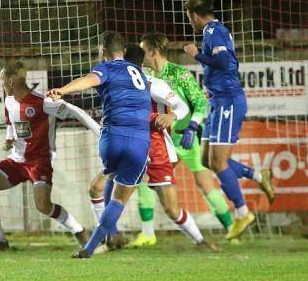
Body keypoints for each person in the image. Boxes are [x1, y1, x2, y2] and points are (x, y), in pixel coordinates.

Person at [91, 45, 219, 253]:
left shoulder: (152, 83)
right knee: (99, 188)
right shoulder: (118, 83)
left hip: (157, 152)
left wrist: (171, 116)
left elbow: (182, 106)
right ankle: (107, 238)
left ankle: (200, 240)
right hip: (132, 148)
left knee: (171, 209)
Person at [47, 31, 152, 259]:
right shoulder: (141, 75)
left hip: (112, 138)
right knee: (120, 198)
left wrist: (62, 90)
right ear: (123, 51)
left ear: (103, 52)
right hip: (139, 140)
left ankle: (107, 238)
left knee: (109, 177)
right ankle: (91, 247)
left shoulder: (106, 67)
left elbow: (89, 80)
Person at [0, 60, 101, 251]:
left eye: (2, 81)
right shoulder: (9, 101)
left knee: (43, 206)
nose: (1, 85)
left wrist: (100, 132)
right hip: (17, 159)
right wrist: (9, 139)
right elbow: (10, 124)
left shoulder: (43, 102)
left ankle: (79, 230)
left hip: (40, 161)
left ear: (11, 81)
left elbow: (76, 112)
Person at [183, 0, 276, 240]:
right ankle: (259, 175)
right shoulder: (211, 32)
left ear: (194, 15)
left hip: (228, 102)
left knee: (219, 162)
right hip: (217, 101)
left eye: (189, 16)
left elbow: (225, 62)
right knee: (206, 159)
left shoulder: (214, 31)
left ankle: (242, 213)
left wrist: (197, 55)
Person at [131, 31, 234, 247]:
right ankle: (148, 233)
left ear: (153, 51)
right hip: (163, 143)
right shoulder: (143, 77)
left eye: (143, 50)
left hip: (188, 139)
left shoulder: (180, 74)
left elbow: (200, 103)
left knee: (205, 184)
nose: (141, 56)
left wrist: (193, 126)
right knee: (145, 181)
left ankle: (231, 228)